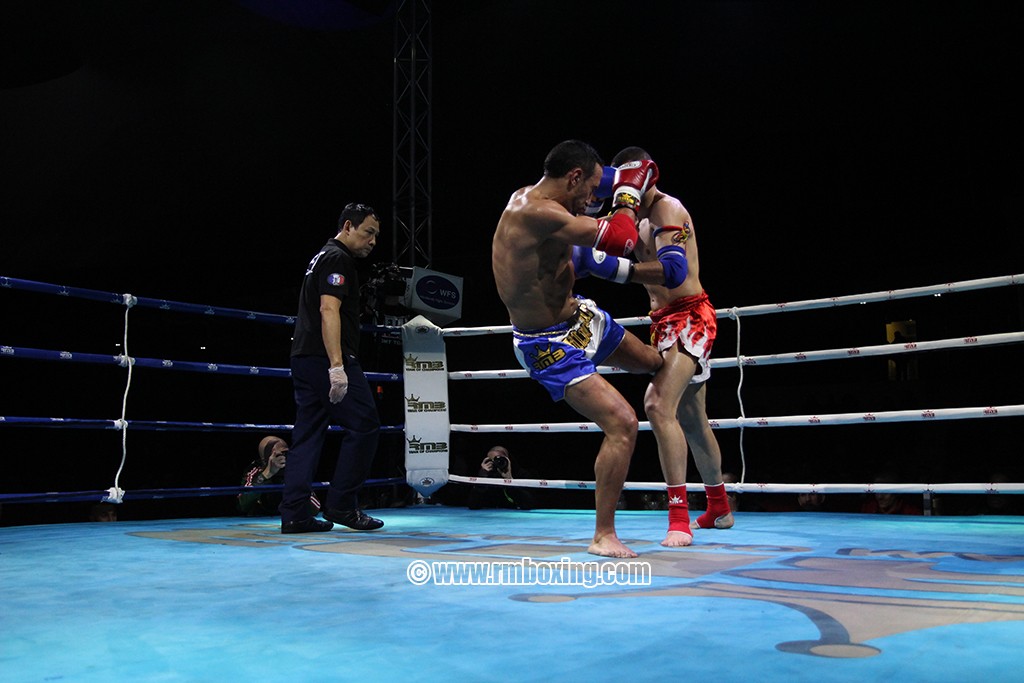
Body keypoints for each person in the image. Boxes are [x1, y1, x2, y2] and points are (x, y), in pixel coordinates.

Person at [492, 139, 665, 558]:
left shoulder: (552, 192)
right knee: (623, 422)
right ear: (572, 178)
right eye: (588, 190)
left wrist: (632, 173)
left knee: (655, 362)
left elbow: (604, 177)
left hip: (579, 317)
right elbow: (621, 236)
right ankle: (603, 534)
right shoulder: (536, 213)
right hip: (546, 344)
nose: (592, 199)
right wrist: (628, 193)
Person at [606, 146, 734, 548]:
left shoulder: (667, 211)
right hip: (661, 323)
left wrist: (609, 267)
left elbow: (671, 270)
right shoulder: (630, 215)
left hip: (691, 316)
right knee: (694, 419)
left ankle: (678, 516)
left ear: (648, 177)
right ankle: (719, 507)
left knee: (658, 405)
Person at [281, 203, 385, 534]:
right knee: (366, 424)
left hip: (303, 356)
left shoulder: (321, 257)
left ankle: (295, 513)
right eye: (368, 232)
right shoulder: (337, 258)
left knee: (308, 434)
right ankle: (342, 505)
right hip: (326, 357)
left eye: (376, 236)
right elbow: (329, 309)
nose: (372, 241)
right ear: (348, 227)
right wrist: (337, 365)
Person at [238, 436, 320, 517]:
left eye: (286, 453)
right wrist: (266, 475)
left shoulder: (294, 470)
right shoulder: (254, 470)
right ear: (266, 458)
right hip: (258, 520)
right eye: (278, 455)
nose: (284, 458)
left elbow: (315, 508)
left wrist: (292, 481)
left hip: (287, 518)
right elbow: (242, 505)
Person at [468, 446, 537, 510]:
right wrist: (482, 479)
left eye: (499, 460)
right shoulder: (486, 476)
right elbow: (473, 505)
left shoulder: (521, 474)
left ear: (508, 459)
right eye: (491, 461)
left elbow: (529, 505)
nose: (495, 463)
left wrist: (510, 480)